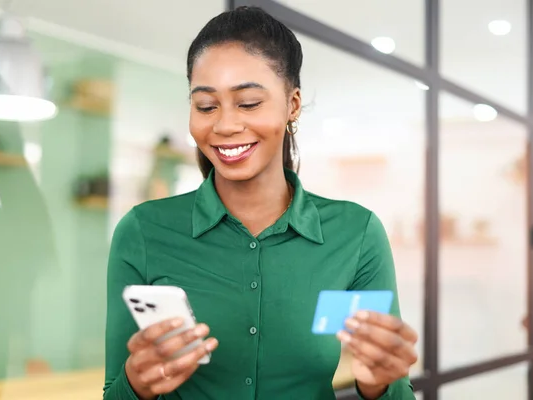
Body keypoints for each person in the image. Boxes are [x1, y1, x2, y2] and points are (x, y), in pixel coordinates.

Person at [103, 6, 418, 400]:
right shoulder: (144, 231)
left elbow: (394, 389)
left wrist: (379, 384)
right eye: (205, 106)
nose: (225, 125)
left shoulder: (355, 234)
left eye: (248, 102)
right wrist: (135, 384)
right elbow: (113, 391)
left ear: (292, 105)